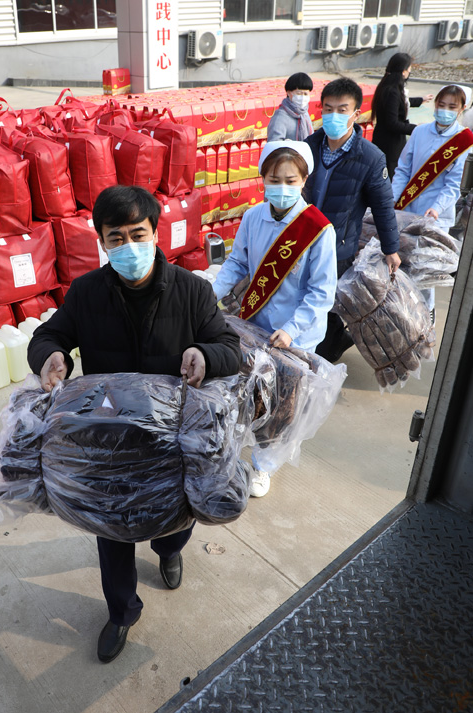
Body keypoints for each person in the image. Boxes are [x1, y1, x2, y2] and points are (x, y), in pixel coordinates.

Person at [27, 185, 241, 664]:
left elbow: (231, 347)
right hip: (109, 443)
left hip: (171, 446)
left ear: (155, 232)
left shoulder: (192, 290)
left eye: (137, 234)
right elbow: (49, 334)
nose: (127, 247)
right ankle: (121, 612)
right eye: (115, 238)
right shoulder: (86, 293)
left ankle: (169, 549)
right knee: (113, 533)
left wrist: (204, 353)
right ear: (102, 242)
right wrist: (51, 356)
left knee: (172, 520)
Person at [213, 140, 337, 497]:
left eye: (290, 180)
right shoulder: (253, 217)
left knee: (285, 404)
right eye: (273, 179)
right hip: (256, 323)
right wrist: (214, 293)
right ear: (262, 178)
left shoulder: (318, 230)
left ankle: (264, 464)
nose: (281, 187)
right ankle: (242, 447)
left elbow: (320, 292)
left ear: (303, 180)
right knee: (250, 393)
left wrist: (292, 329)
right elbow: (237, 262)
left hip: (294, 335)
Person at [303, 76, 401, 364]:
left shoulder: (370, 157)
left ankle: (327, 351)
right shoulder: (308, 146)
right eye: (328, 109)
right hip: (302, 240)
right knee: (304, 298)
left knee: (329, 302)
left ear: (356, 114)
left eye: (342, 109)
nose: (334, 116)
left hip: (338, 246)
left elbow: (383, 206)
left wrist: (390, 248)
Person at [391, 84, 473, 321]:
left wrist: (436, 208)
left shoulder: (464, 141)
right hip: (407, 210)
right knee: (402, 264)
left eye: (451, 107)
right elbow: (404, 169)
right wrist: (394, 199)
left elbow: (454, 184)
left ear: (461, 109)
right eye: (441, 105)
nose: (444, 110)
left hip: (435, 218)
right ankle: (403, 315)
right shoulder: (419, 132)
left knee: (424, 271)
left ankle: (426, 316)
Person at [371, 53, 434, 179]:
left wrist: (421, 100)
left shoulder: (389, 86)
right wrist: (416, 128)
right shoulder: (392, 91)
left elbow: (402, 102)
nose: (410, 71)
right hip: (389, 143)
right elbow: (392, 123)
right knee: (388, 176)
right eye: (409, 68)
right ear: (403, 71)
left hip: (386, 139)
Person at [266, 72, 314, 142]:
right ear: (288, 93)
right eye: (299, 93)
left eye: (305, 94)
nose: (302, 97)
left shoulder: (304, 113)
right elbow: (274, 143)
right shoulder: (280, 117)